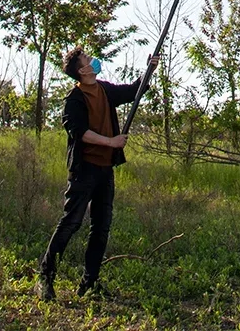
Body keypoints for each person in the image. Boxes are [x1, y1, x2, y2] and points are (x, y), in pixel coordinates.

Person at [36, 47, 158, 301]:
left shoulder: (104, 89)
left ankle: (89, 283)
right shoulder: (74, 100)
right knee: (71, 222)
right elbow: (80, 133)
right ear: (82, 71)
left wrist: (149, 70)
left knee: (101, 227)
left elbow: (132, 91)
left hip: (105, 170)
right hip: (85, 170)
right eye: (88, 60)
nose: (94, 61)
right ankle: (45, 277)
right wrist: (112, 142)